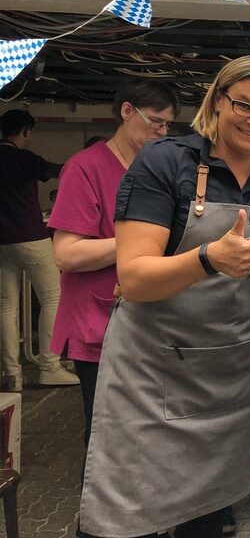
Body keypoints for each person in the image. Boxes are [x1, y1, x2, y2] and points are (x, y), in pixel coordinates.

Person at [77, 55, 250, 538]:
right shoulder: (164, 162)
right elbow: (134, 277)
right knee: (124, 517)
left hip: (230, 376)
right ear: (218, 102)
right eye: (244, 105)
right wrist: (207, 259)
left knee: (206, 518)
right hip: (154, 372)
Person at [48, 79, 180, 452]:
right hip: (98, 321)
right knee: (107, 430)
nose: (161, 132)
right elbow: (67, 254)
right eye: (155, 121)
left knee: (146, 428)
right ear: (126, 111)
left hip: (148, 320)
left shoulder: (156, 172)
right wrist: (141, 239)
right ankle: (98, 511)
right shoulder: (84, 168)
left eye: (167, 125)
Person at [0, 109, 79, 390]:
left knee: (7, 306)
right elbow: (58, 170)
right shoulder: (23, 158)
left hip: (2, 242)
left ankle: (12, 373)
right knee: (53, 297)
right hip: (30, 237)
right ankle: (49, 366)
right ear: (24, 132)